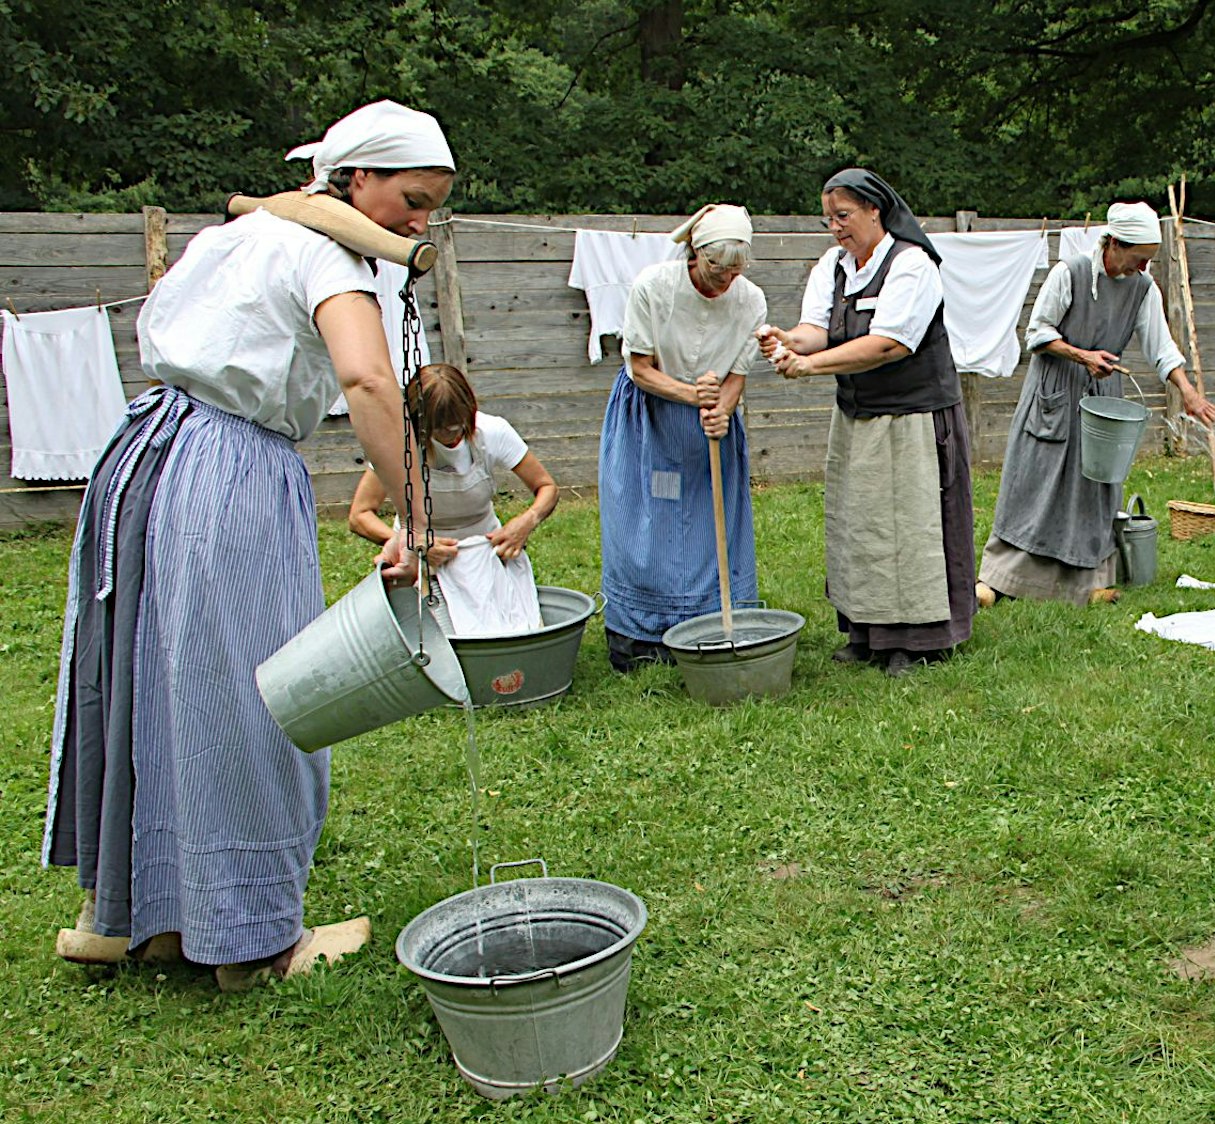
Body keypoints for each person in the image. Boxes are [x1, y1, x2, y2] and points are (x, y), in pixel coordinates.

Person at [43, 100, 455, 988]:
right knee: (259, 695)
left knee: (147, 682)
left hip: (146, 448)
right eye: (411, 200)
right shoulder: (321, 250)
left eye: (432, 205)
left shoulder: (238, 237)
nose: (420, 222)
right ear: (354, 180)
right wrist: (417, 512)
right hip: (227, 465)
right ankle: (254, 940)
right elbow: (365, 376)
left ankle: (133, 916)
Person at [757, 169, 974, 677]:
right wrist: (787, 340)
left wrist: (810, 365)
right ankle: (868, 632)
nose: (835, 227)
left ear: (875, 211)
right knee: (861, 526)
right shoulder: (833, 266)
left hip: (913, 418)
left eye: (844, 216)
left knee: (910, 529)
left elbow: (889, 343)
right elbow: (816, 330)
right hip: (859, 418)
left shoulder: (911, 265)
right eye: (828, 218)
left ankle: (917, 640)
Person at [977, 203, 1215, 606]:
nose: (1144, 268)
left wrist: (1189, 393)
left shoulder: (1144, 289)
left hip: (1102, 401)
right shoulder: (1069, 274)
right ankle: (1001, 579)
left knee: (1094, 489)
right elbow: (1037, 333)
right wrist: (1082, 355)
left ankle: (1085, 585)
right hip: (1054, 393)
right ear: (1114, 243)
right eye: (1140, 258)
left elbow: (1161, 348)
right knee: (1036, 484)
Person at [598, 204, 766, 669]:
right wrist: (694, 396)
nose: (725, 281)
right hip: (649, 418)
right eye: (717, 268)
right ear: (694, 252)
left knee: (707, 526)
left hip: (709, 427)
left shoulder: (751, 300)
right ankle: (638, 638)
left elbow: (737, 372)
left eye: (735, 270)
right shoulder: (654, 287)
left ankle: (713, 628)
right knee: (647, 526)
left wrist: (723, 409)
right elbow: (640, 369)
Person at [347, 363, 558, 633]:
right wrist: (410, 543)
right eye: (440, 430)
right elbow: (360, 515)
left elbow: (547, 487)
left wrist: (526, 521)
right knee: (435, 642)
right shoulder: (400, 445)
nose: (451, 436)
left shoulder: (492, 432)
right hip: (424, 562)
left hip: (485, 555)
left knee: (511, 632)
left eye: (458, 426)